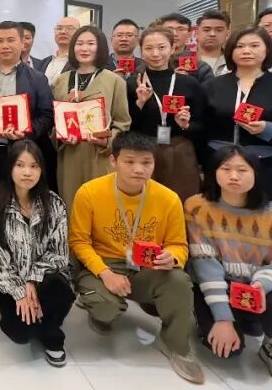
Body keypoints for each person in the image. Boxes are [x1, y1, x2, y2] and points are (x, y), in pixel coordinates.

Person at [69, 131, 202, 384]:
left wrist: (172, 257)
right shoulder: (89, 192)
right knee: (105, 308)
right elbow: (79, 242)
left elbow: (178, 245)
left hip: (147, 266)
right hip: (105, 264)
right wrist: (105, 274)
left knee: (179, 281)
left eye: (146, 162)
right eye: (129, 162)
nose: (139, 169)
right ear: (113, 161)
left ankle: (175, 344)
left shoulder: (169, 198)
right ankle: (98, 309)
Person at [185, 145, 272, 388]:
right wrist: (223, 320)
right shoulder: (197, 207)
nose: (234, 176)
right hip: (218, 287)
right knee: (227, 352)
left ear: (256, 173)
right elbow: (205, 266)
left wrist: (261, 285)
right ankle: (218, 323)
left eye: (242, 170)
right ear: (213, 172)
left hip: (258, 287)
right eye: (226, 169)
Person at [0, 140, 73, 367]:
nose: (27, 172)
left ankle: (52, 334)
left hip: (45, 280)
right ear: (10, 168)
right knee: (21, 333)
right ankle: (34, 316)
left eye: (34, 166)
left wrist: (33, 279)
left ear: (42, 170)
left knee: (59, 290)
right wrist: (19, 290)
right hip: (10, 283)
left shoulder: (54, 204)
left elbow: (59, 253)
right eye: (20, 165)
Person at [201, 27, 272, 206]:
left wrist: (268, 129)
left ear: (267, 50)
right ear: (230, 51)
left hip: (266, 165)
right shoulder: (211, 86)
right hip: (220, 164)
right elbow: (202, 127)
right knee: (218, 213)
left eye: (254, 45)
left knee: (264, 215)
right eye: (240, 46)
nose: (246, 51)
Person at [0, 21, 53, 197]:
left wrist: (26, 132)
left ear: (22, 43)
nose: (5, 46)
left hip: (21, 153)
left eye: (11, 40)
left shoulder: (37, 79)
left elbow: (46, 115)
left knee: (20, 200)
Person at [51, 26, 131, 211]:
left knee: (100, 207)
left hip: (99, 155)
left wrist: (107, 141)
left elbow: (123, 122)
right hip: (69, 154)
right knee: (71, 206)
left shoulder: (114, 81)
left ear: (100, 47)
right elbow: (54, 120)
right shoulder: (61, 80)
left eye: (90, 43)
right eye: (79, 44)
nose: (84, 48)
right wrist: (60, 136)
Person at [126, 26, 205, 201]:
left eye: (161, 47)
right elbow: (127, 125)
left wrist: (186, 125)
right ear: (141, 51)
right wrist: (140, 103)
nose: (155, 54)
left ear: (172, 47)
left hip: (180, 150)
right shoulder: (133, 83)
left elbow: (202, 125)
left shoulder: (189, 84)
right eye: (148, 48)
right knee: (143, 202)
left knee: (180, 202)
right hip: (142, 150)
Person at [159, 13, 214, 84]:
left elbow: (210, 90)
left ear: (189, 34)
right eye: (169, 29)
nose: (175, 34)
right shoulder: (151, 62)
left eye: (181, 29)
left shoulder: (201, 67)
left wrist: (188, 82)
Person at [37, 16, 81, 81]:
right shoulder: (44, 62)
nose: (63, 32)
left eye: (69, 28)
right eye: (59, 28)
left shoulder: (81, 62)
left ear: (79, 33)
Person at [196, 10, 231, 76]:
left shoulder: (234, 61)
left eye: (219, 30)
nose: (212, 34)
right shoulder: (181, 59)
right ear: (196, 33)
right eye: (206, 30)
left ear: (227, 34)